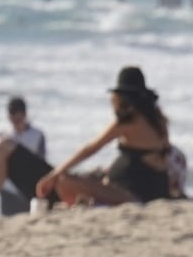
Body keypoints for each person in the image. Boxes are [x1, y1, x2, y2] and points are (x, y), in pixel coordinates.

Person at [35, 67, 175, 206]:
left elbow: (90, 149)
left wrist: (53, 174)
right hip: (157, 189)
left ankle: (92, 204)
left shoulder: (128, 121)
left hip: (135, 195)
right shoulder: (158, 119)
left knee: (64, 181)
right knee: (95, 175)